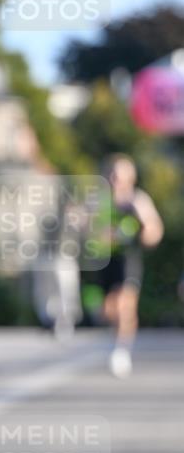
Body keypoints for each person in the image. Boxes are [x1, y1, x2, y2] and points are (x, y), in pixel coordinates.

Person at [99, 154, 163, 378]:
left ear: (130, 177)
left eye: (120, 174)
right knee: (108, 308)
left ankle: (122, 350)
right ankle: (115, 339)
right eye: (112, 174)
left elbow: (154, 231)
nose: (116, 179)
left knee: (125, 303)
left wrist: (145, 230)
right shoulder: (100, 201)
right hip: (104, 260)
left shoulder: (138, 200)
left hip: (128, 258)